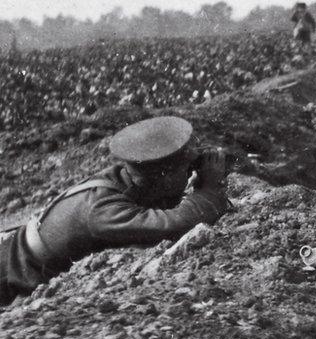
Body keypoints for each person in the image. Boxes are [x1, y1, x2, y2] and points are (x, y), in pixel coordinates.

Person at [0, 116, 230, 306]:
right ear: (164, 177)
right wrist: (209, 190)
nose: (189, 173)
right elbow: (173, 224)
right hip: (10, 273)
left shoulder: (128, 177)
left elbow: (161, 198)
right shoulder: (102, 211)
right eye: (185, 170)